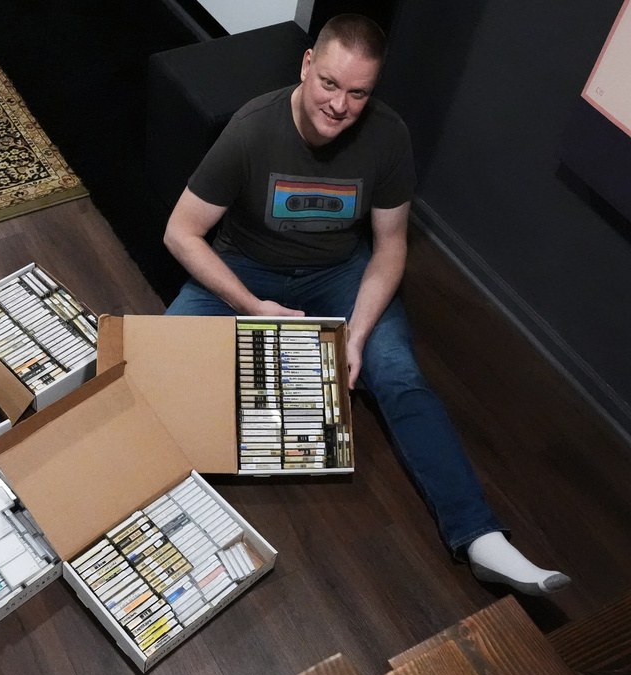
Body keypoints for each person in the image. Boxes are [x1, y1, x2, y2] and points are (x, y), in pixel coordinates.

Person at [163, 13, 570, 596]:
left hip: (337, 272)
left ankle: (480, 538)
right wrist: (252, 305)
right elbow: (180, 233)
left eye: (358, 93)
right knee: (168, 355)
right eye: (329, 83)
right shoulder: (253, 128)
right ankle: (153, 501)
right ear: (307, 65)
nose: (338, 105)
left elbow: (390, 246)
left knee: (399, 374)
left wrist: (354, 335)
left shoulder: (388, 136)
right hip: (248, 271)